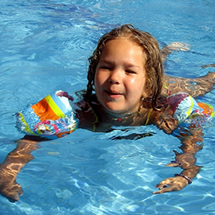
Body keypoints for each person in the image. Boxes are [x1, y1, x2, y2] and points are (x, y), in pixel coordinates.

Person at [0, 24, 214, 202]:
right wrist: (7, 173)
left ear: (147, 85)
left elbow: (192, 135)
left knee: (205, 85)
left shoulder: (159, 112)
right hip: (150, 82)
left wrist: (187, 171)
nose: (114, 78)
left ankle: (167, 54)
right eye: (106, 67)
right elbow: (32, 139)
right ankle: (163, 54)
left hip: (164, 88)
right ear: (93, 73)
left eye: (129, 71)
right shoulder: (83, 113)